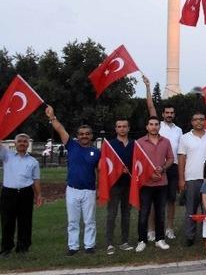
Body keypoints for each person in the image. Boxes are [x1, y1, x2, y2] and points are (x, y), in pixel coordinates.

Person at [46, 105, 100, 255]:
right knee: (73, 221)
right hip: (72, 189)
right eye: (81, 134)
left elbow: (100, 171)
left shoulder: (96, 152)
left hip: (89, 190)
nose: (84, 136)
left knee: (89, 220)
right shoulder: (72, 145)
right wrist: (52, 117)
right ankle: (73, 247)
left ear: (91, 136)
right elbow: (60, 129)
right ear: (78, 135)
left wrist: (100, 188)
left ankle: (89, 245)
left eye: (87, 134)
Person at [145, 76, 182, 241]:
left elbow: (180, 152)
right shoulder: (157, 126)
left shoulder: (179, 130)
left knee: (171, 201)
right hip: (157, 168)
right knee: (154, 201)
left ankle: (169, 228)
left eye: (172, 113)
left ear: (174, 114)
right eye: (167, 113)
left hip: (172, 167)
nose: (169, 115)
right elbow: (150, 105)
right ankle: (151, 230)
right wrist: (148, 86)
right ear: (162, 114)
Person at [135, 115, 174, 252]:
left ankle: (160, 239)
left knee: (160, 213)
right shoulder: (139, 142)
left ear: (159, 126)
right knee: (144, 213)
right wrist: (148, 173)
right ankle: (141, 240)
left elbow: (170, 158)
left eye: (156, 124)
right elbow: (137, 163)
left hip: (162, 182)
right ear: (147, 127)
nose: (154, 126)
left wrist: (163, 168)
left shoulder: (166, 142)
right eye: (151, 124)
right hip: (146, 183)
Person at [0, 133, 42, 256]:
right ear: (15, 143)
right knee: (7, 221)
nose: (22, 143)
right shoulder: (7, 155)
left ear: (28, 144)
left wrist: (39, 195)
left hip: (26, 193)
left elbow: (36, 180)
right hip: (9, 193)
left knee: (25, 221)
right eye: (20, 141)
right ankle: (6, 248)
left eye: (25, 141)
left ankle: (23, 247)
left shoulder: (33, 161)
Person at [177, 112, 206, 247]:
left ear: (205, 121)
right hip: (191, 178)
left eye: (201, 119)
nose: (199, 122)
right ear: (191, 122)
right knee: (190, 209)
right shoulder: (185, 138)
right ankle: (190, 236)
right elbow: (181, 159)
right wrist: (181, 179)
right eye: (196, 119)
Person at [105, 119, 134, 254]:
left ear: (128, 128)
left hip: (129, 184)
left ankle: (124, 241)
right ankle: (109, 243)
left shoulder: (135, 144)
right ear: (116, 129)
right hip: (114, 185)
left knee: (126, 214)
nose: (122, 129)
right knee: (112, 214)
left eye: (124, 126)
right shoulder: (110, 145)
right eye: (119, 127)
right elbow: (105, 165)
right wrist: (118, 170)